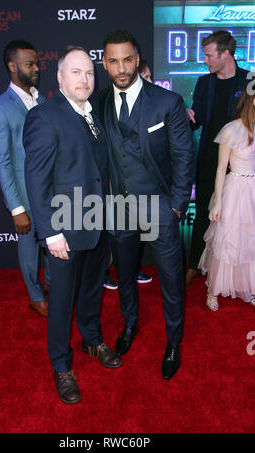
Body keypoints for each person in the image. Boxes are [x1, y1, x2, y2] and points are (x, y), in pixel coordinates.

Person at [23, 46, 122, 405]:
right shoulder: (45, 116)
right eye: (76, 73)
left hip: (97, 224)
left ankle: (92, 340)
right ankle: (61, 366)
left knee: (92, 290)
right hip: (63, 229)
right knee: (62, 302)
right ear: (60, 77)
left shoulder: (93, 114)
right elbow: (36, 179)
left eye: (89, 73)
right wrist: (50, 231)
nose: (85, 79)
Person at [97, 29, 194, 380]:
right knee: (124, 275)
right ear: (104, 63)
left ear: (137, 59)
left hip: (160, 208)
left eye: (127, 59)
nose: (121, 67)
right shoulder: (100, 103)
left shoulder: (166, 102)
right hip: (119, 208)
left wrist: (177, 207)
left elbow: (184, 157)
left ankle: (173, 342)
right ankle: (129, 324)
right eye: (113, 61)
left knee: (170, 279)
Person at [0, 40, 50, 317]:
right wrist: (16, 208)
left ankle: (48, 286)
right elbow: (3, 162)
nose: (36, 68)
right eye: (29, 64)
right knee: (29, 247)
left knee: (52, 243)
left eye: (36, 63)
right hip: (25, 195)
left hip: (50, 190)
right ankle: (35, 297)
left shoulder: (42, 99)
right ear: (13, 67)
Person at [186, 31, 249, 285]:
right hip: (210, 158)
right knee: (203, 211)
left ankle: (234, 274)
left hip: (240, 161)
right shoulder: (204, 82)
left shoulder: (250, 79)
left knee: (238, 218)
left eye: (209, 54)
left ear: (225, 54)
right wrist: (188, 117)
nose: (205, 60)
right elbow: (197, 118)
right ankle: (193, 266)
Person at [198, 86, 255, 310]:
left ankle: (248, 287)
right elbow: (221, 169)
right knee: (227, 240)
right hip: (235, 190)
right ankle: (213, 291)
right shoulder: (231, 130)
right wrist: (219, 202)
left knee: (250, 240)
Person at [103, 57, 154, 291]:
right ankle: (105, 272)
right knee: (113, 236)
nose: (151, 82)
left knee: (135, 236)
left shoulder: (155, 106)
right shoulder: (106, 104)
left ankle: (131, 270)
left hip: (143, 190)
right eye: (147, 78)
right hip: (114, 189)